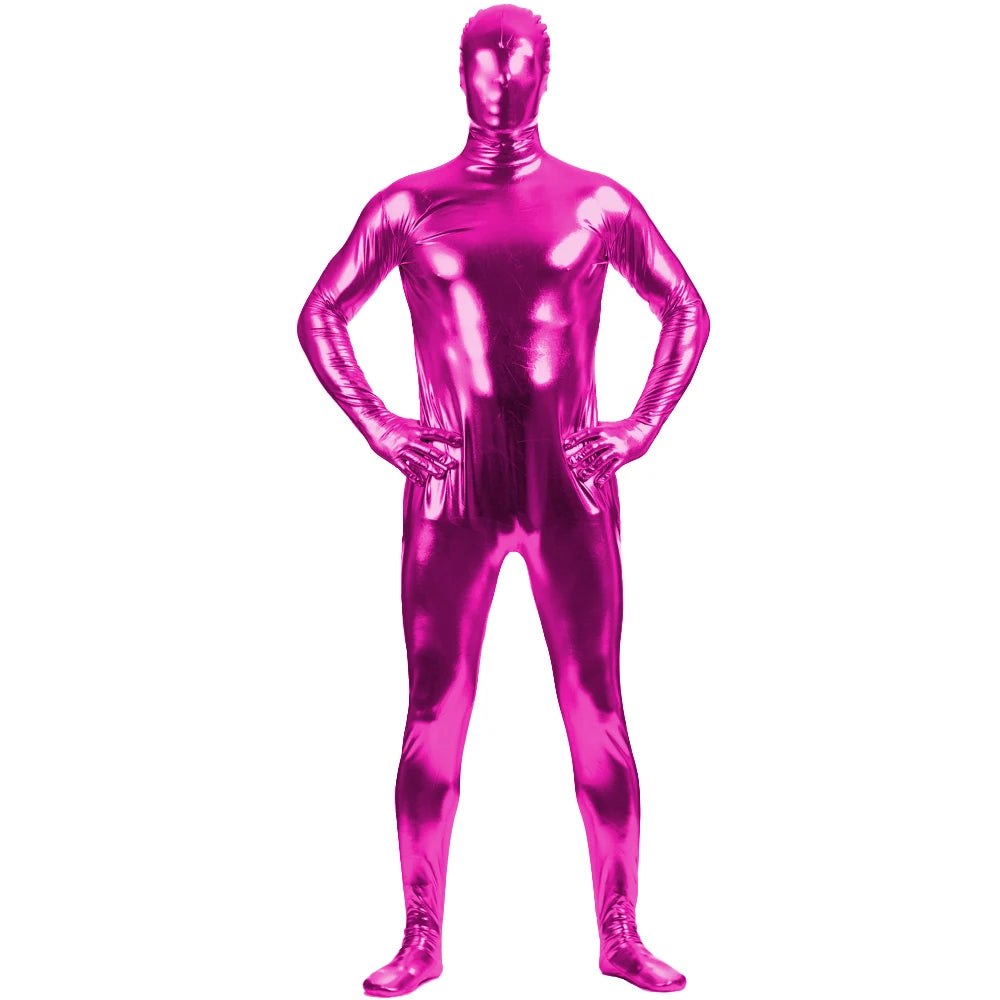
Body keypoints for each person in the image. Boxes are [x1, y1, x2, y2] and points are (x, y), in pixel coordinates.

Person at [297, 5, 710, 995]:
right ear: (460, 75)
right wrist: (383, 428)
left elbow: (686, 309)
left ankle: (619, 930)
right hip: (452, 495)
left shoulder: (597, 204)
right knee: (434, 711)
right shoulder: (408, 206)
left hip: (571, 489)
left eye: (520, 62)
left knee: (596, 708)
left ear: (546, 74)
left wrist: (640, 427)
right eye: (487, 63)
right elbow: (320, 314)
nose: (504, 79)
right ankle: (421, 935)